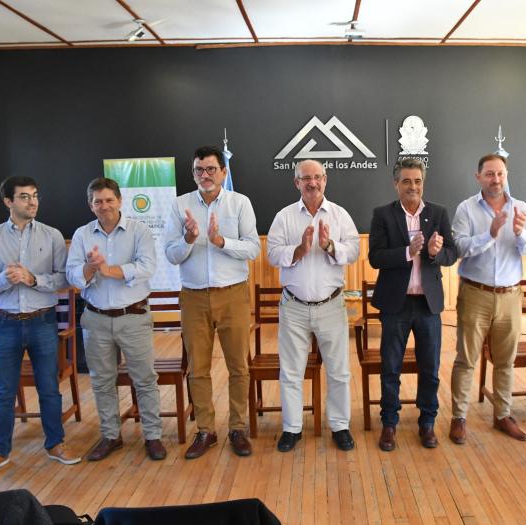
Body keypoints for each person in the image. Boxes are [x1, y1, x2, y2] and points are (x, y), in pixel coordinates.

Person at [0, 176, 80, 479]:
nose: (32, 202)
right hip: (4, 323)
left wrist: (33, 279)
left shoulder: (53, 236)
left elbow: (64, 279)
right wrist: (4, 279)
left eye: (35, 195)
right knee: (4, 390)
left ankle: (55, 444)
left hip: (42, 320)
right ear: (8, 202)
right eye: (23, 197)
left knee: (49, 388)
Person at [163, 146, 260, 459]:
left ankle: (238, 428)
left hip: (233, 293)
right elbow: (171, 254)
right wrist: (189, 239)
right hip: (193, 296)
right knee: (198, 369)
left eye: (210, 169)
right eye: (198, 170)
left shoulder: (239, 202)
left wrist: (220, 241)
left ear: (224, 172)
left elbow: (253, 249)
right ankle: (206, 431)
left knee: (238, 366)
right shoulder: (180, 206)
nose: (204, 175)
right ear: (193, 173)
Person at [66, 177, 166, 461]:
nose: (104, 206)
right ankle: (111, 436)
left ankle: (153, 436)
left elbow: (147, 267)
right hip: (96, 319)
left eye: (109, 200)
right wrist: (90, 267)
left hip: (133, 317)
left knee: (144, 379)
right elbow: (73, 276)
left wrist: (110, 271)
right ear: (90, 205)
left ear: (120, 201)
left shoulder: (140, 231)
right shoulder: (83, 235)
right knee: (101, 381)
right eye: (98, 201)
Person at [266, 160, 361, 452]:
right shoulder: (284, 217)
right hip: (293, 306)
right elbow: (271, 253)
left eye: (317, 177)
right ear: (297, 183)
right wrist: (299, 250)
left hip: (331, 306)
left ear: (325, 180)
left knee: (338, 371)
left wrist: (330, 245)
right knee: (291, 371)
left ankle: (340, 426)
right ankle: (292, 429)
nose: (312, 183)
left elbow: (355, 249)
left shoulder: (340, 214)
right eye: (306, 178)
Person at [450, 153, 526, 443]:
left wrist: (521, 233)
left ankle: (503, 415)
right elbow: (459, 247)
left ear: (507, 174)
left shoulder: (521, 208)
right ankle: (459, 417)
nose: (496, 179)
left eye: (500, 173)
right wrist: (489, 235)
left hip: (510, 296)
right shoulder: (466, 209)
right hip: (475, 293)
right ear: (478, 177)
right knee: (466, 360)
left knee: (506, 361)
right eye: (489, 174)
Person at [367, 158, 458, 451]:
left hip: (428, 305)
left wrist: (435, 252)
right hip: (395, 304)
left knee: (430, 368)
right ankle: (389, 423)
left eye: (417, 181)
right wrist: (407, 252)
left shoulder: (438, 213)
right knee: (390, 367)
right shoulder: (382, 214)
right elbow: (376, 257)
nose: (412, 186)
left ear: (423, 183)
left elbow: (452, 254)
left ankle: (427, 422)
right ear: (396, 184)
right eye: (406, 181)